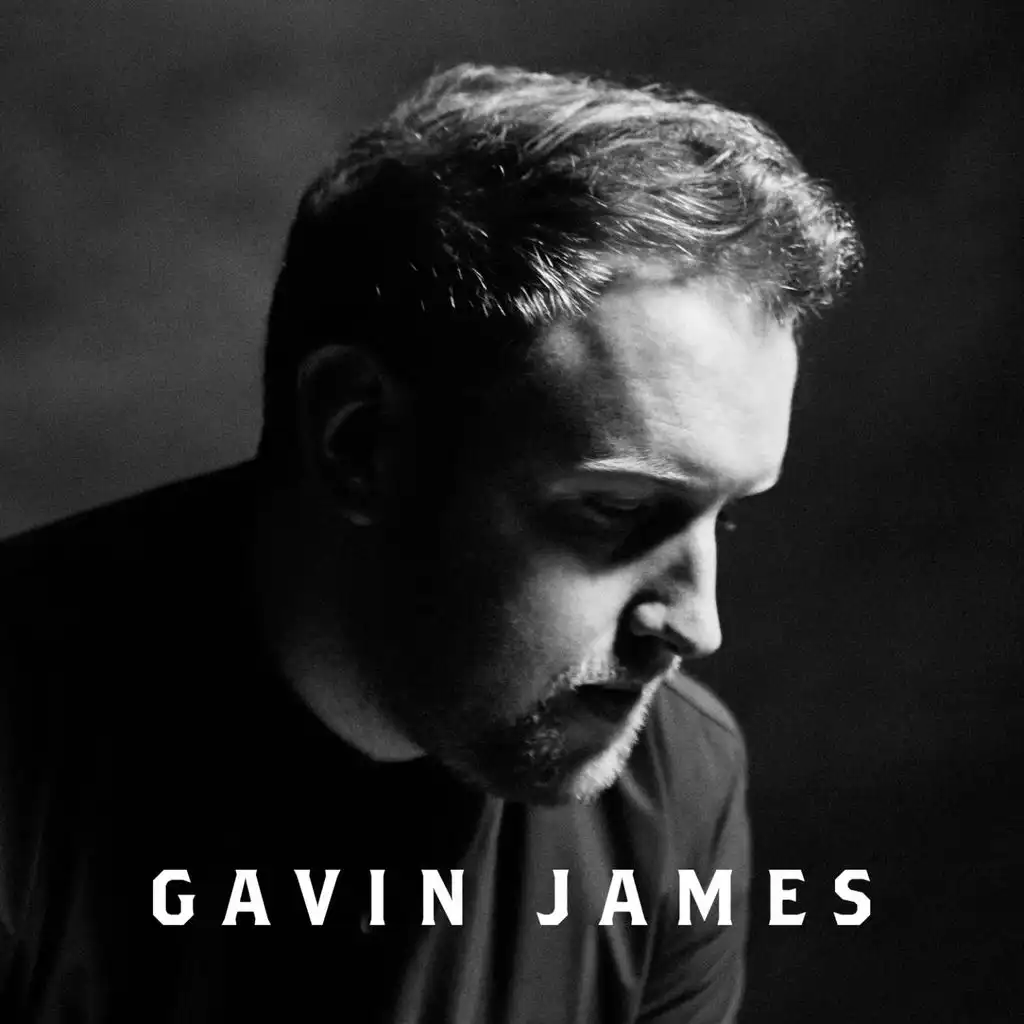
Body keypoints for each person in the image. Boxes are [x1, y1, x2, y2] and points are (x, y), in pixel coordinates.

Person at [0, 64, 860, 1022]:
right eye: (618, 508)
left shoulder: (675, 787)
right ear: (359, 440)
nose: (697, 625)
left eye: (724, 515)